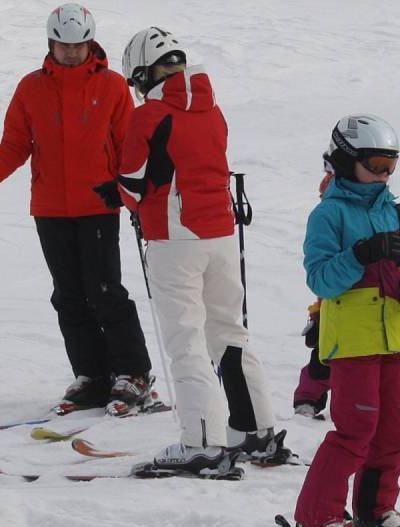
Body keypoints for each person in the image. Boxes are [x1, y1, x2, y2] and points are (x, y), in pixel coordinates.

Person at [93, 27, 290, 474]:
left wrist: (115, 193)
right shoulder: (213, 109)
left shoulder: (151, 115)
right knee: (228, 332)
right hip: (220, 232)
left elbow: (134, 180)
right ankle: (256, 431)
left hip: (173, 238)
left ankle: (201, 442)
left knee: (186, 338)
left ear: (144, 73)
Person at [0, 3, 153, 417]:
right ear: (50, 44)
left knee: (105, 292)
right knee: (69, 296)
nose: (70, 52)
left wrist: (126, 193)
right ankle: (93, 375)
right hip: (50, 208)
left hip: (99, 205)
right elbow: (15, 145)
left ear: (90, 43)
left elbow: (130, 148)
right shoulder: (31, 89)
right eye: (62, 45)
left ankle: (133, 373)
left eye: (77, 45)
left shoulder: (114, 86)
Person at [292, 114, 400, 527]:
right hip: (352, 341)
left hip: (393, 337)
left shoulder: (395, 211)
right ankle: (316, 521)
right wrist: (360, 254)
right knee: (356, 430)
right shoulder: (328, 213)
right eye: (375, 163)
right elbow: (320, 279)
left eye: (391, 166)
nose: (383, 175)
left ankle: (374, 512)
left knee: (394, 430)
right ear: (346, 159)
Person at [293, 298, 400, 424]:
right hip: (335, 328)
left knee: (391, 371)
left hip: (371, 330)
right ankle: (307, 402)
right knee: (319, 369)